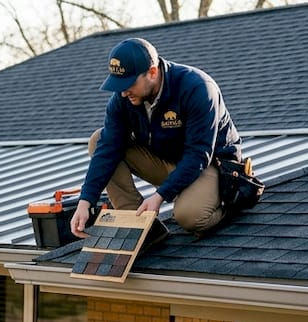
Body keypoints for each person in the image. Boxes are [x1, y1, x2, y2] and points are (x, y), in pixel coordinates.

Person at [70, 37, 244, 239]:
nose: (124, 92)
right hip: (166, 161)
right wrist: (85, 202)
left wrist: (160, 197)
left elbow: (198, 155)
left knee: (191, 217)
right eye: (119, 85)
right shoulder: (122, 99)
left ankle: (225, 203)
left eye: (129, 83)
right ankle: (138, 225)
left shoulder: (197, 87)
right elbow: (107, 149)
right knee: (98, 139)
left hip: (210, 165)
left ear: (152, 72)